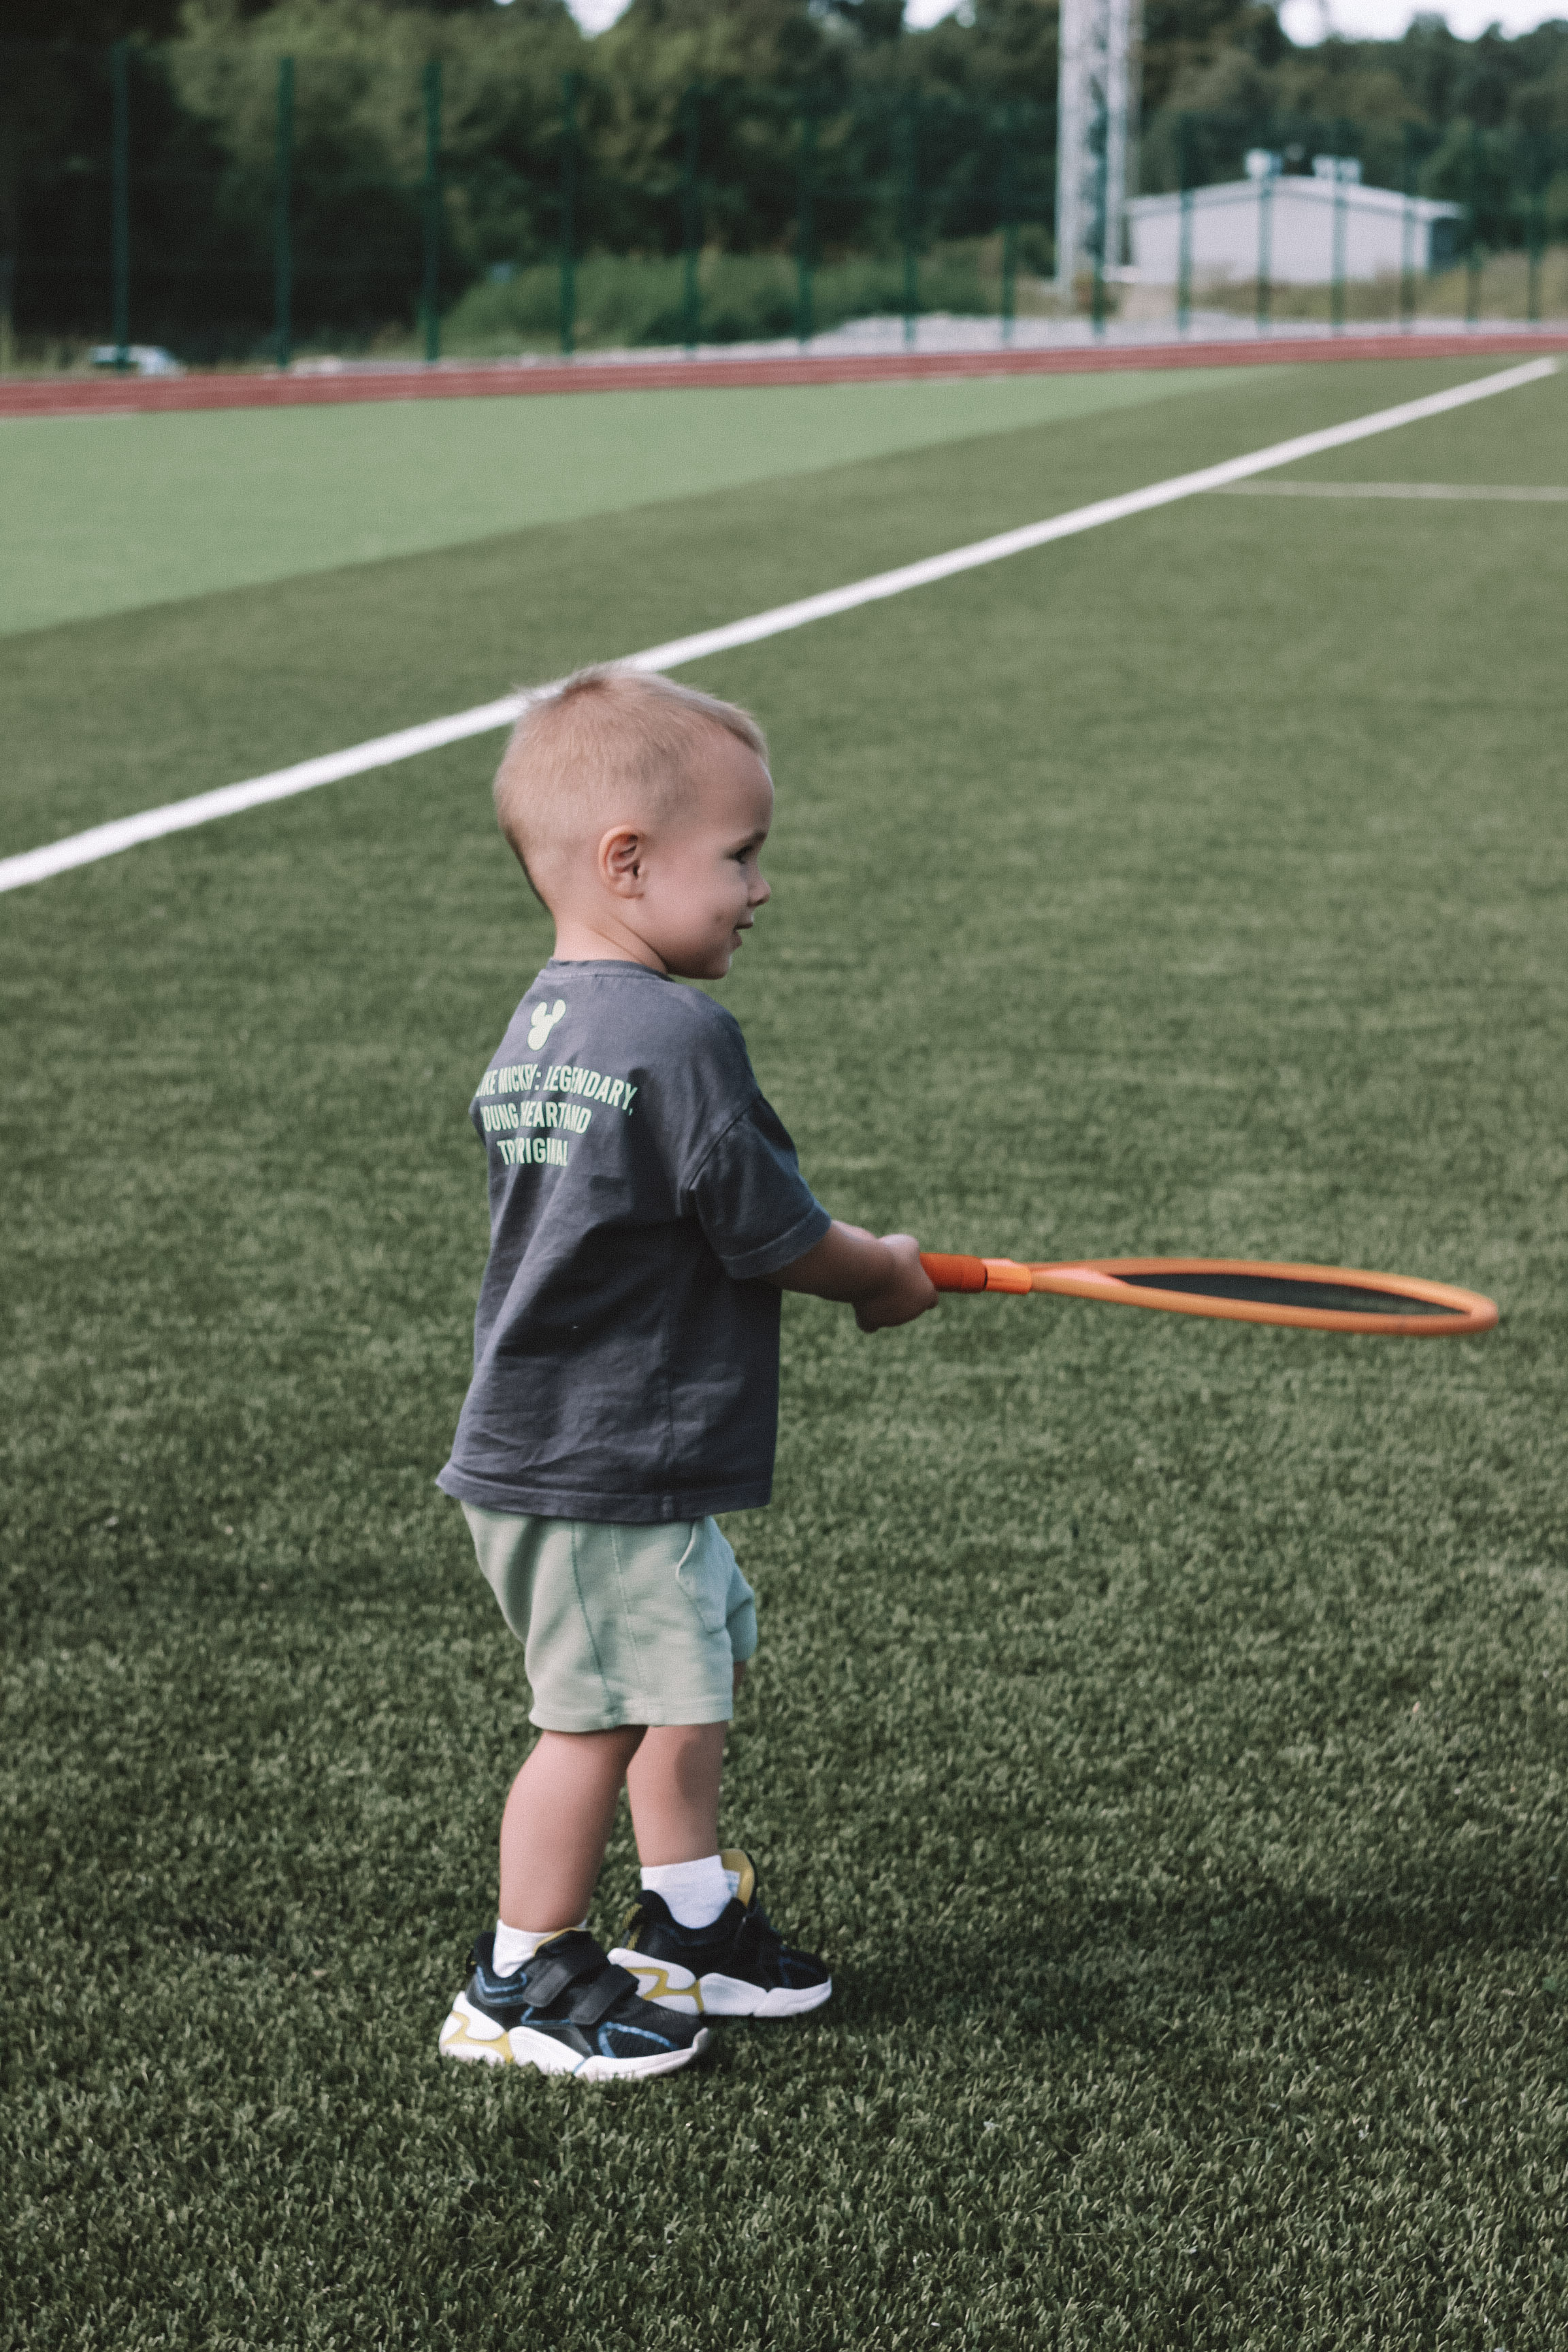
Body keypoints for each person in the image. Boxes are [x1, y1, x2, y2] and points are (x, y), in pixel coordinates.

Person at [436, 665, 937, 2082]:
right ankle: (517, 1977)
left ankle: (688, 1919)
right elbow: (771, 1233)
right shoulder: (680, 1036)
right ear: (628, 863)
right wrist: (884, 1275)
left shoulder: (547, 1023)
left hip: (582, 1441)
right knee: (589, 1721)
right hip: (602, 1459)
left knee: (687, 1673)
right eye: (743, 855)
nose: (762, 888)